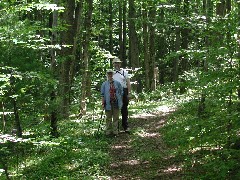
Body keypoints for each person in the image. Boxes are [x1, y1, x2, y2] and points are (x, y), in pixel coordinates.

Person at [101, 69, 123, 137]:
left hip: (116, 102)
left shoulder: (117, 83)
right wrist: (103, 103)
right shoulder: (104, 84)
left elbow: (121, 92)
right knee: (108, 118)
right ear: (107, 75)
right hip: (108, 103)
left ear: (112, 74)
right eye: (108, 74)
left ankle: (115, 132)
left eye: (111, 74)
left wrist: (120, 101)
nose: (110, 75)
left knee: (116, 118)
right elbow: (102, 95)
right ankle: (108, 132)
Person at [112, 57, 131, 132]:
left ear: (120, 64)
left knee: (124, 109)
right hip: (114, 92)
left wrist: (129, 93)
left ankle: (125, 126)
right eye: (115, 63)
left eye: (118, 63)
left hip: (123, 91)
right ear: (113, 64)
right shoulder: (111, 73)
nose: (117, 64)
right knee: (115, 109)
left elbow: (128, 83)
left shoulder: (124, 72)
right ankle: (115, 128)